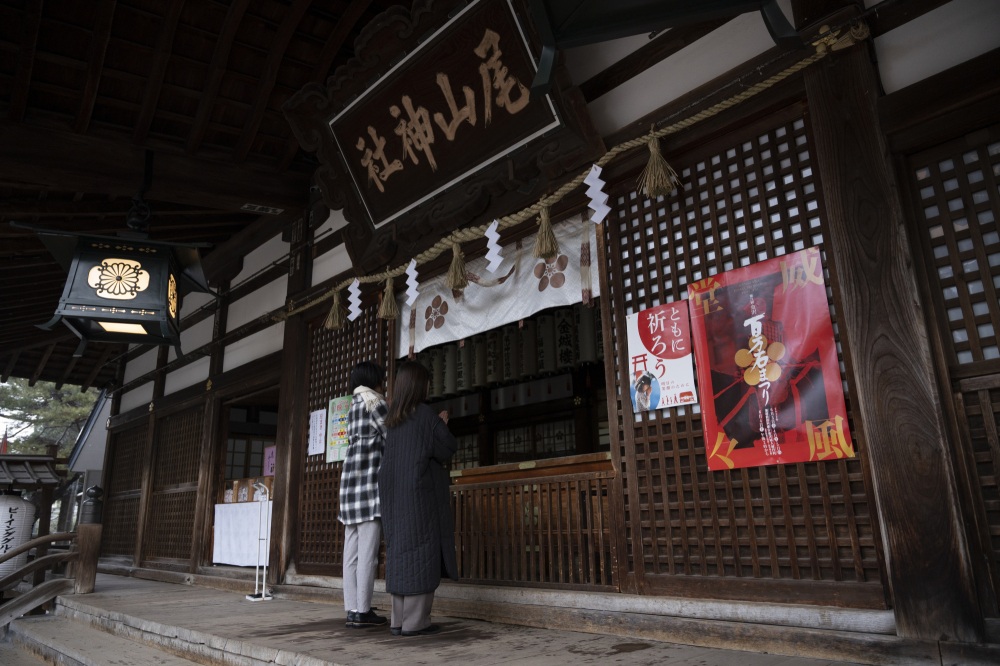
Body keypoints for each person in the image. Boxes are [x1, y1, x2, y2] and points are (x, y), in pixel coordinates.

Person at [379, 360, 458, 637]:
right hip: (418, 498)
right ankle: (416, 622)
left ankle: (398, 621)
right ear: (419, 385)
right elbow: (447, 447)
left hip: (392, 497)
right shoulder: (425, 416)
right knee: (422, 552)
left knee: (401, 554)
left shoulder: (393, 418)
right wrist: (442, 423)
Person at [339, 361, 389, 628]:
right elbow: (392, 434)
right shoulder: (375, 403)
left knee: (351, 554)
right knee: (368, 554)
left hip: (349, 489)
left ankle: (352, 609)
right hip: (369, 489)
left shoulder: (354, 405)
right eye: (381, 378)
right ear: (374, 380)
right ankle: (363, 610)